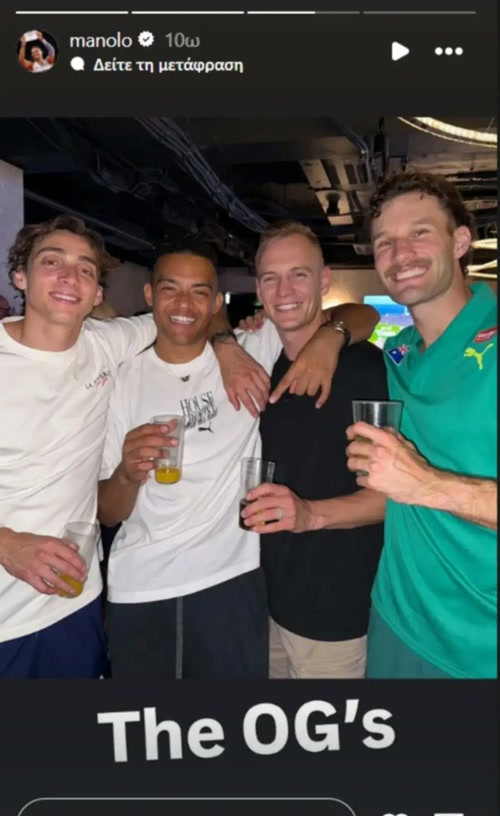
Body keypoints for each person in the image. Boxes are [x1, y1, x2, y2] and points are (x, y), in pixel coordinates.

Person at [0, 215, 273, 679]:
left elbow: (188, 312)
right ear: (20, 276)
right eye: (52, 262)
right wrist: (6, 545)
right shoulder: (120, 369)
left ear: (97, 293)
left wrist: (226, 341)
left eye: (85, 269)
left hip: (75, 602)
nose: (69, 277)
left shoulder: (108, 346)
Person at [97, 236, 378, 678]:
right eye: (170, 289)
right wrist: (127, 475)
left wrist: (329, 338)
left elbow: (362, 314)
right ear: (149, 294)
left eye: (200, 292)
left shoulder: (255, 349)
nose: (184, 304)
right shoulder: (121, 379)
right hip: (141, 586)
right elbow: (108, 513)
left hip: (233, 581)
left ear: (216, 303)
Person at [346, 170, 497, 679]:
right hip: (397, 620)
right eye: (384, 242)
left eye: (420, 232)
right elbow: (355, 317)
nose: (400, 254)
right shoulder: (399, 351)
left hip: (481, 645)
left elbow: (418, 485)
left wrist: (425, 483)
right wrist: (330, 335)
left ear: (460, 241)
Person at [240, 221, 388, 679]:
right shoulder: (261, 361)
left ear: (324, 281)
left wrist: (310, 514)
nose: (284, 290)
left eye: (299, 275)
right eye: (270, 278)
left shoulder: (366, 370)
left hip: (336, 616)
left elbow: (394, 497)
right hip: (265, 603)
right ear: (258, 290)